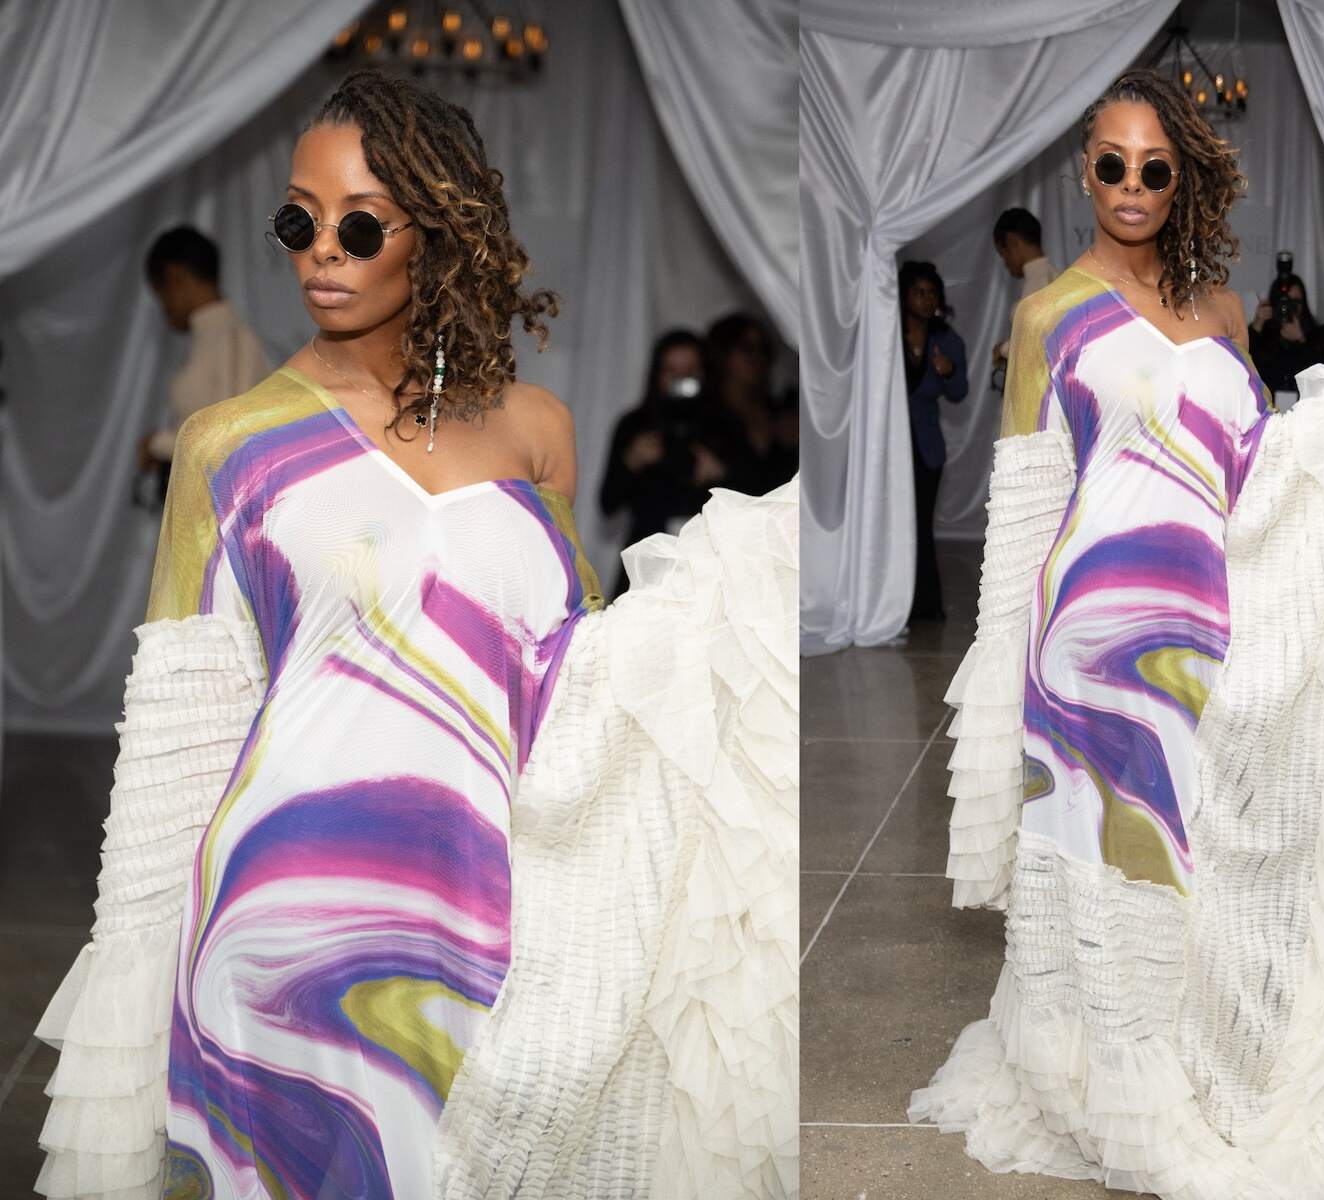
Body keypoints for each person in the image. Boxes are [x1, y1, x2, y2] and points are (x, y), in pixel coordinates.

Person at [35, 69, 797, 1197]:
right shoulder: (228, 443)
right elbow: (175, 742)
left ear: (435, 232)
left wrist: (731, 587)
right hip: (281, 932)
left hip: (488, 916)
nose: (319, 252)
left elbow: (563, 684)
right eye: (298, 220)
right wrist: (126, 1014)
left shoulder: (538, 431)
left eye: (355, 223)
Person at [908, 67, 1324, 1198]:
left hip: (1214, 627)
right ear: (1085, 172)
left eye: (1154, 168)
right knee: (1118, 869)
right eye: (1112, 165)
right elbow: (1028, 506)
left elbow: (1271, 468)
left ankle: (1209, 1065)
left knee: (1211, 857)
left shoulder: (1222, 310)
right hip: (1086, 649)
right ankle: (1116, 1084)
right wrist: (1002, 703)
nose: (1131, 186)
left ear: (1182, 179)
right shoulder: (1044, 315)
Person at [598, 327, 753, 596]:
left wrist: (721, 473)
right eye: (672, 371)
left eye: (690, 370)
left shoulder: (725, 425)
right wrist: (630, 461)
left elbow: (754, 499)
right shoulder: (635, 425)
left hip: (707, 560)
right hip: (647, 559)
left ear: (705, 372)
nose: (681, 380)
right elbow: (607, 503)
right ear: (657, 374)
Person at [140, 226, 270, 505]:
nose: (164, 309)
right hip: (201, 508)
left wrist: (157, 445)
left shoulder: (232, 338)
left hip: (227, 514)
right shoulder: (209, 339)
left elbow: (231, 438)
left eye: (160, 295)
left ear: (175, 278)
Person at [900, 260, 968, 622]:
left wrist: (950, 371)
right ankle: (888, 601)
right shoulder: (885, 336)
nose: (926, 300)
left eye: (932, 293)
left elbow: (959, 393)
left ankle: (925, 605)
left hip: (926, 447)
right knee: (892, 522)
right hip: (889, 447)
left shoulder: (947, 340)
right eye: (918, 293)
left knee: (921, 524)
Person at [701, 310, 794, 493]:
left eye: (763, 349)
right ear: (722, 354)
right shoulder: (704, 416)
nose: (756, 358)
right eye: (746, 348)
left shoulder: (780, 412)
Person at [988, 207, 1058, 383]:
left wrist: (1003, 349)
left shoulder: (1038, 284)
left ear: (1012, 241)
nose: (1005, 263)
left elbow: (1037, 346)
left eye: (1003, 253)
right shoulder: (1052, 275)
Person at [1245, 270, 1324, 397]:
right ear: (1275, 302)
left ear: (1304, 305)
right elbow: (1244, 366)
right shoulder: (1262, 332)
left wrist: (1301, 339)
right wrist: (1256, 325)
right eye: (1285, 302)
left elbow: (1321, 377)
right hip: (1266, 409)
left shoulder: (1314, 335)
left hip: (1302, 410)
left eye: (1296, 302)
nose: (1290, 308)